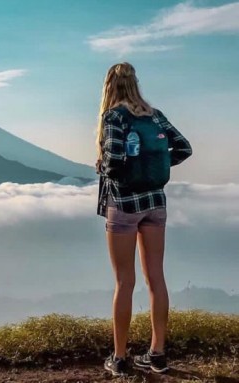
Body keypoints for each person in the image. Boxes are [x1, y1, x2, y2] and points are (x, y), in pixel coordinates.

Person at [94, 62, 193, 377]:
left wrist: (104, 167)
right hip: (155, 202)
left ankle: (120, 358)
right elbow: (184, 148)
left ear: (110, 87)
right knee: (156, 279)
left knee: (125, 281)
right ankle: (158, 354)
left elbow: (112, 162)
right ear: (135, 84)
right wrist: (156, 167)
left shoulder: (114, 117)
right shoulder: (155, 115)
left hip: (124, 204)